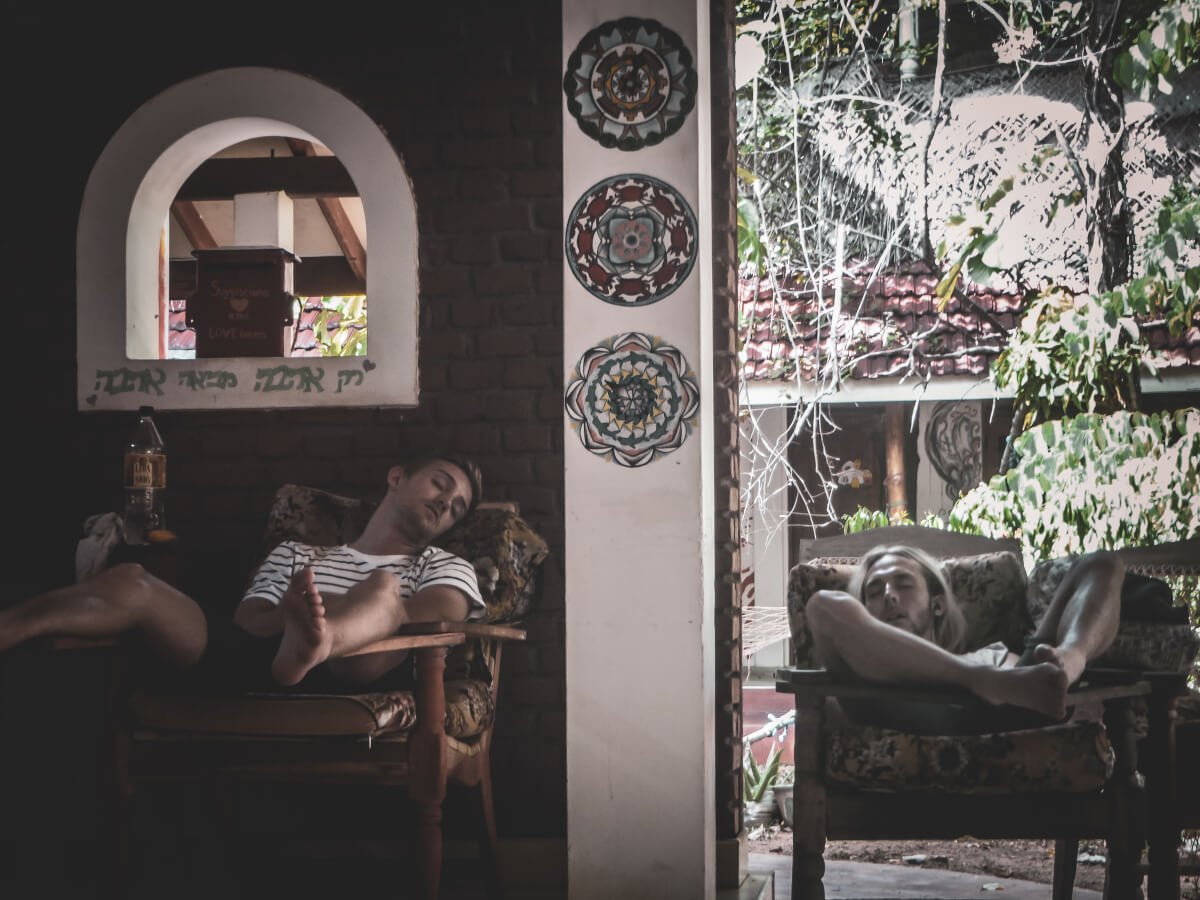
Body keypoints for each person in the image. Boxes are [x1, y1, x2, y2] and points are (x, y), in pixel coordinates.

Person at [0, 455, 485, 692]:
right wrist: (291, 621)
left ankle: (316, 643)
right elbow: (249, 619)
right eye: (440, 485)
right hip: (255, 659)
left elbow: (426, 624)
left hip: (349, 672)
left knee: (385, 590)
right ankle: (10, 627)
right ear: (397, 478)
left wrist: (321, 620)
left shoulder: (442, 566)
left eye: (456, 507)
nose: (446, 502)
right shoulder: (299, 552)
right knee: (132, 578)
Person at [804, 544, 1124, 720]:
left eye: (903, 583)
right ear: (864, 613)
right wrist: (979, 678)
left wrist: (1060, 663)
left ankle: (1070, 662)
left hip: (1011, 705)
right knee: (823, 605)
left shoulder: (991, 654)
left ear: (938, 605)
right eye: (873, 592)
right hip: (901, 702)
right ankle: (981, 680)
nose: (888, 595)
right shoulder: (857, 671)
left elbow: (1027, 679)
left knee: (1102, 563)